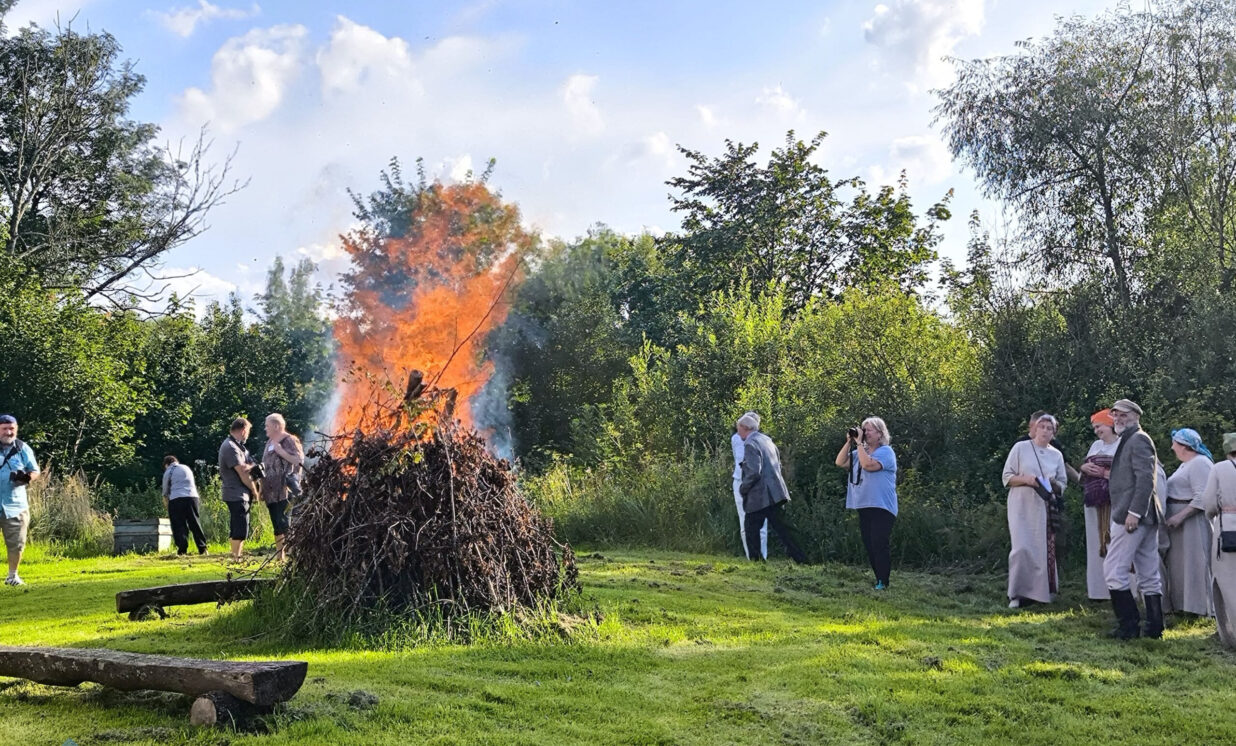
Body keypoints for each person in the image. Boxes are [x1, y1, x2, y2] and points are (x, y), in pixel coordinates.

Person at [1104, 398, 1165, 640]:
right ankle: (1154, 627)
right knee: (1148, 572)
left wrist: (1134, 513)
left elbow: (1145, 479)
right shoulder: (1129, 438)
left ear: (1136, 416)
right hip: (1142, 515)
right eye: (1116, 415)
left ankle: (1128, 627)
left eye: (1124, 415)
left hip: (1133, 515)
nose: (1119, 419)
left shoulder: (1138, 439)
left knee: (1113, 571)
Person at [1003, 413, 1067, 608]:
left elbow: (1063, 483)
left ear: (1054, 433)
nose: (1045, 431)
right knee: (1021, 548)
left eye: (1049, 428)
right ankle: (1017, 594)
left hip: (1045, 504)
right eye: (1042, 427)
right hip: (1022, 503)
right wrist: (1027, 479)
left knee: (1043, 548)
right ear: (1034, 428)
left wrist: (1053, 484)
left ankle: (1043, 592)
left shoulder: (1056, 455)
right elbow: (1007, 477)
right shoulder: (1020, 448)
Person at [835, 416, 898, 590]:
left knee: (879, 543)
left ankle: (883, 581)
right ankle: (879, 579)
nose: (865, 433)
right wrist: (849, 442)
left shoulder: (886, 452)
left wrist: (859, 445)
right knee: (869, 544)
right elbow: (840, 462)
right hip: (864, 505)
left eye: (869, 430)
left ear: (880, 434)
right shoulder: (860, 452)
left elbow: (868, 465)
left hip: (882, 506)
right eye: (864, 430)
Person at [736, 413, 806, 564]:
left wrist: (743, 488)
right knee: (784, 529)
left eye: (738, 428)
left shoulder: (750, 444)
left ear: (744, 428)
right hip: (776, 492)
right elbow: (777, 464)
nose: (737, 432)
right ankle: (802, 558)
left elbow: (754, 472)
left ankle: (757, 561)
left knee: (751, 528)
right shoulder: (766, 440)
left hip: (760, 495)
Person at [1160, 428, 1214, 617]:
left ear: (1184, 446)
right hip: (1180, 522)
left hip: (1192, 522)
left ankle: (1200, 607)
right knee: (1182, 564)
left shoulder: (1200, 463)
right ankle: (1185, 605)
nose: (1172, 447)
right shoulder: (1186, 465)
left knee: (1195, 561)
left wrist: (1180, 517)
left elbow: (1203, 497)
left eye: (1174, 443)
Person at [1198, 433, 1236, 648]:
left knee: (1229, 582)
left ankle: (1232, 634)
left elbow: (1209, 503)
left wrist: (1213, 514)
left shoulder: (1220, 468)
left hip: (1228, 530)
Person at [1079, 409, 1120, 600]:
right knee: (1096, 543)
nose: (1096, 431)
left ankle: (1119, 588)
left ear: (1110, 424)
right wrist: (1084, 468)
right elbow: (1084, 470)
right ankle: (1098, 591)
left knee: (1114, 540)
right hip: (1094, 501)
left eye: (1099, 426)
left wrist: (1104, 473)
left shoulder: (1122, 444)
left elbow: (1126, 474)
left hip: (1114, 501)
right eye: (1094, 428)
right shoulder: (1096, 445)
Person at [0, 415, 39, 586]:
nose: (8, 432)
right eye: (4, 429)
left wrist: (26, 478)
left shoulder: (23, 448)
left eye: (12, 429)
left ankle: (12, 576)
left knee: (17, 543)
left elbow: (35, 470)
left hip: (15, 505)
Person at [261, 413, 304, 562]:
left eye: (267, 425)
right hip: (271, 491)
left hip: (285, 489)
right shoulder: (269, 442)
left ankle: (292, 554)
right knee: (277, 523)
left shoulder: (290, 440)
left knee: (285, 523)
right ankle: (280, 556)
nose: (265, 428)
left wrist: (281, 452)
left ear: (276, 426)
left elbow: (299, 460)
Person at [218, 417, 259, 561]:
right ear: (243, 430)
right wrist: (254, 491)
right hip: (236, 493)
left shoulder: (237, 446)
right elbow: (242, 473)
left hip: (238, 493)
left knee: (238, 525)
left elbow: (248, 466)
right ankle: (236, 557)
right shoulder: (231, 447)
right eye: (248, 431)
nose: (248, 435)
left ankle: (236, 556)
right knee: (240, 526)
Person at [731, 421, 767, 560]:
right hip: (741, 481)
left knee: (761, 523)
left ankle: (762, 556)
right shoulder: (736, 439)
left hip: (756, 482)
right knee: (745, 522)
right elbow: (740, 461)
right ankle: (751, 556)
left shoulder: (760, 440)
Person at [161, 455, 207, 556]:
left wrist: (167, 507)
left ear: (166, 464)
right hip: (192, 497)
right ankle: (202, 548)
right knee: (194, 522)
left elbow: (165, 492)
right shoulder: (186, 468)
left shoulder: (169, 471)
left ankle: (182, 550)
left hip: (176, 499)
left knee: (179, 525)